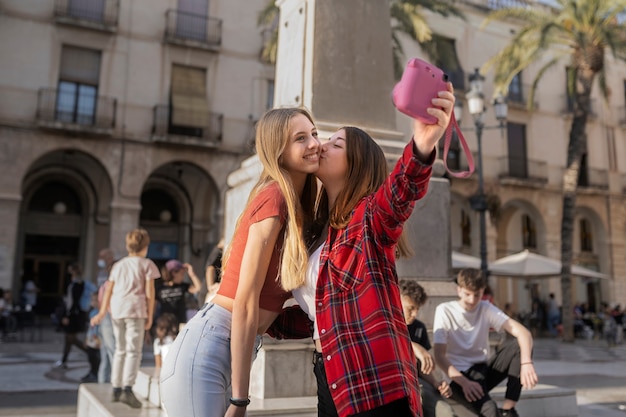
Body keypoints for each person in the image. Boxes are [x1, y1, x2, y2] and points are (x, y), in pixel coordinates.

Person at [291, 87, 455, 417]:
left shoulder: (368, 218)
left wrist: (422, 147)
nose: (321, 145)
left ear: (357, 165)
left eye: (336, 144)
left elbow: (398, 195)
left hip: (373, 379)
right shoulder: (322, 230)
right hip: (330, 373)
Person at [160, 107, 320, 417]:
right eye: (301, 138)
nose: (314, 143)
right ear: (278, 150)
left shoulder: (299, 207)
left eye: (313, 134)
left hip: (229, 346)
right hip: (209, 347)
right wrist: (240, 399)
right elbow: (246, 299)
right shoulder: (275, 197)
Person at [433, 269, 539, 417]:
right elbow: (439, 355)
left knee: (518, 347)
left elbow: (524, 333)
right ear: (459, 290)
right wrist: (464, 383)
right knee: (490, 410)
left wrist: (526, 363)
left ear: (482, 291)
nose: (472, 300)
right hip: (458, 377)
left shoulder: (485, 307)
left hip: (482, 371)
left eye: (477, 295)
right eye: (467, 294)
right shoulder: (445, 310)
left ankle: (508, 410)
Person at [91, 228, 160, 409]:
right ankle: (127, 389)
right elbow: (149, 293)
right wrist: (150, 316)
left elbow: (109, 290)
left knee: (120, 350)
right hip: (135, 310)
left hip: (117, 310)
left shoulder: (118, 265)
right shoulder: (147, 264)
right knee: (133, 351)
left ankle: (116, 388)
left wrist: (102, 312)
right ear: (145, 246)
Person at [399, 279, 456, 417]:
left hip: (418, 382)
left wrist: (436, 383)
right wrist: (414, 347)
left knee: (446, 413)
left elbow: (422, 368)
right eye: (411, 308)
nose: (414, 314)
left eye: (417, 309)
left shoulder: (419, 327)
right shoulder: (385, 323)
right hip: (394, 383)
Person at [54, 262, 89, 369]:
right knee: (68, 339)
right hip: (74, 313)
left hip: (74, 315)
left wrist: (67, 315)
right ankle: (64, 360)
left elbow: (73, 301)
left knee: (71, 338)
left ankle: (91, 352)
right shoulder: (75, 283)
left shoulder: (78, 284)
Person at [155, 259, 202, 328]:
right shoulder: (160, 288)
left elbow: (198, 288)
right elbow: (154, 306)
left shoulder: (182, 286)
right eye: (182, 274)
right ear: (174, 273)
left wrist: (192, 274)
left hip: (180, 323)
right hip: (164, 324)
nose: (183, 277)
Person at [96, 248, 116, 384]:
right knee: (113, 354)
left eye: (102, 257)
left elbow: (100, 302)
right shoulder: (109, 283)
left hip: (105, 319)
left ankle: (103, 383)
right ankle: (116, 384)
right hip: (109, 319)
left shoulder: (105, 282)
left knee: (107, 355)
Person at [81, 293, 101, 383]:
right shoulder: (92, 312)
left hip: (97, 339)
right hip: (91, 338)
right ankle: (92, 372)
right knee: (90, 356)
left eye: (95, 300)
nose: (93, 302)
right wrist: (86, 339)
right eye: (92, 300)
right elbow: (90, 327)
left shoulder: (101, 313)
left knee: (96, 357)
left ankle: (95, 373)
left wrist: (98, 340)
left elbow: (99, 328)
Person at [204, 238, 224, 304]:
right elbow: (210, 268)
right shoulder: (218, 252)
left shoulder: (217, 251)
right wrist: (210, 286)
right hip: (210, 289)